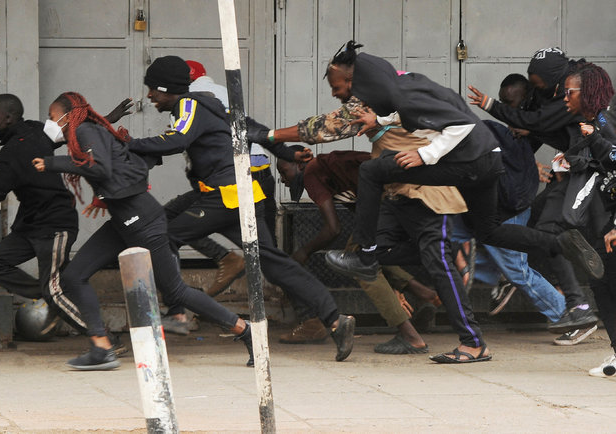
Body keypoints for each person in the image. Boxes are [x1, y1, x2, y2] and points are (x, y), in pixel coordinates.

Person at [318, 42, 603, 318]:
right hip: (488, 161)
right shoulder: (411, 85)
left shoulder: (405, 94)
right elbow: (415, 113)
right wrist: (379, 122)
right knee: (488, 231)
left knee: (372, 171)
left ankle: (365, 256)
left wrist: (425, 155)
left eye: (340, 88)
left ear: (362, 82)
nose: (338, 94)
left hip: (470, 162)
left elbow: (462, 125)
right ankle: (558, 243)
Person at [127, 55, 356, 362]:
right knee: (274, 263)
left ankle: (178, 313)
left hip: (223, 197)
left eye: (153, 90)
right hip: (243, 196)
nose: (150, 97)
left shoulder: (189, 105)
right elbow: (260, 132)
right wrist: (287, 151)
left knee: (163, 235)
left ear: (167, 88)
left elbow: (176, 140)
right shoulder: (219, 108)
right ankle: (336, 320)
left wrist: (130, 143)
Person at [254, 65, 490, 362]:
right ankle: (429, 281)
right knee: (373, 254)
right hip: (394, 194)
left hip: (422, 190)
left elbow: (326, 128)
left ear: (354, 82)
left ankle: (459, 339)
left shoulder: (381, 99)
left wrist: (269, 135)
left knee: (414, 262)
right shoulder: (386, 104)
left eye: (337, 87)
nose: (335, 94)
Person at [33, 91, 255, 370]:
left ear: (67, 116)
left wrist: (52, 163)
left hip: (143, 221)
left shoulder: (87, 130)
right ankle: (101, 347)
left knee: (176, 291)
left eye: (52, 117)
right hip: (125, 220)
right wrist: (104, 197)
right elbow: (112, 169)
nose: (49, 123)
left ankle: (246, 331)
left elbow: (100, 168)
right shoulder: (88, 133)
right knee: (75, 276)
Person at [161, 59, 312, 335]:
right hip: (257, 174)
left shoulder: (191, 99)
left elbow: (182, 139)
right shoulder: (222, 92)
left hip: (232, 180)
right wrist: (286, 152)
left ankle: (310, 315)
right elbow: (255, 129)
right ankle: (307, 315)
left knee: (169, 221)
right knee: (269, 255)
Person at [467, 48, 600, 336]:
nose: (567, 97)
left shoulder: (565, 103)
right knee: (536, 227)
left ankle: (577, 308)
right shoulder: (545, 100)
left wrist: (491, 106)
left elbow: (538, 124)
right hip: (575, 172)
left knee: (551, 234)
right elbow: (531, 134)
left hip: (590, 175)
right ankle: (513, 273)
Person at [277, 149, 434, 354]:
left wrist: (303, 253)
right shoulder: (329, 169)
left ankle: (410, 336)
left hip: (393, 199)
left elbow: (333, 229)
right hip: (400, 200)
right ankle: (424, 294)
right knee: (366, 253)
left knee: (360, 264)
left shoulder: (311, 173)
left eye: (283, 172)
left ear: (298, 165)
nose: (282, 179)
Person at [0, 94, 87, 338]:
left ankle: (103, 339)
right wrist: (109, 118)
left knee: (55, 290)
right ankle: (44, 294)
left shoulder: (13, 151)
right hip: (31, 226)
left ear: (7, 118)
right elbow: (68, 132)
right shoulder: (36, 130)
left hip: (55, 225)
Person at [557, 63, 616, 376]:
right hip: (606, 217)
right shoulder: (595, 123)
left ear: (587, 91)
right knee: (602, 285)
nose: (565, 98)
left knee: (608, 284)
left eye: (570, 92)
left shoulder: (605, 120)